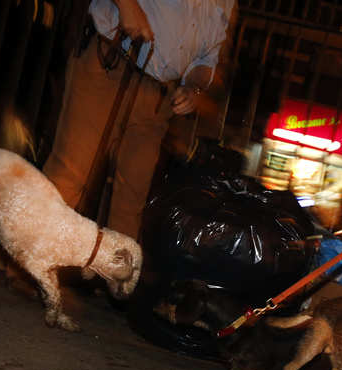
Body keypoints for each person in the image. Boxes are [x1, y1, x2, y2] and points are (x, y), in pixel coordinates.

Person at [43, 0, 236, 241]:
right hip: (110, 62)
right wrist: (127, 7)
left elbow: (208, 60)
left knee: (131, 199)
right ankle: (28, 267)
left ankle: (115, 276)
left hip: (157, 98)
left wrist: (193, 89)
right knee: (71, 173)